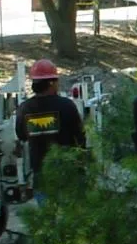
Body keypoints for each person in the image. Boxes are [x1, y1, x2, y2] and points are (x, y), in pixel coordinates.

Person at [15, 59, 86, 203]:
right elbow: (80, 136)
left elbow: (21, 135)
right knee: (72, 217)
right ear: (51, 83)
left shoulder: (25, 108)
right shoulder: (66, 105)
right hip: (68, 171)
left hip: (41, 172)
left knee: (48, 220)